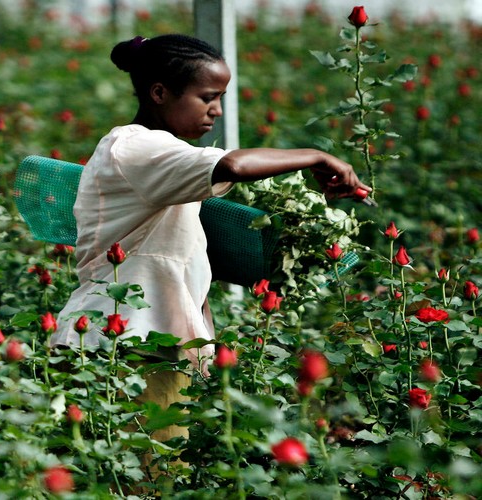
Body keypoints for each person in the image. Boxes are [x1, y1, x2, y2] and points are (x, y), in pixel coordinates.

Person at [48, 34, 369, 459]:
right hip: (124, 340)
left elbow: (182, 265)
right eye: (207, 97)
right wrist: (316, 157)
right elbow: (233, 164)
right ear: (160, 93)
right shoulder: (138, 148)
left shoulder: (167, 162)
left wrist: (207, 346)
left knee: (153, 470)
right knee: (141, 472)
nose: (216, 109)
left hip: (154, 340)